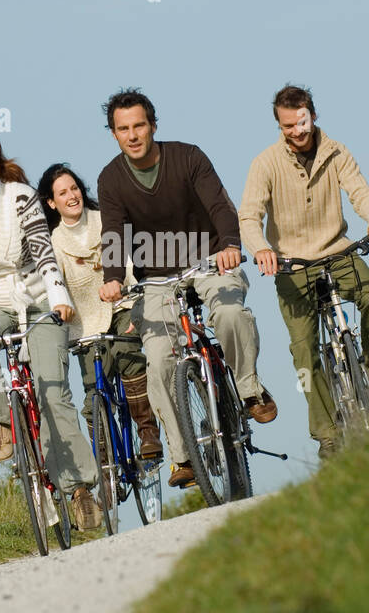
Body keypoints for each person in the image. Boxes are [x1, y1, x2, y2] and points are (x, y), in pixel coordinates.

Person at [96, 89, 277, 490]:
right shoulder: (111, 179)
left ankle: (249, 390)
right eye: (123, 129)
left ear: (153, 126)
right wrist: (112, 277)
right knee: (160, 359)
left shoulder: (188, 156)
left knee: (230, 313)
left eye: (139, 125)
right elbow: (113, 231)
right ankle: (183, 457)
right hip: (157, 278)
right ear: (114, 134)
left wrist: (231, 245)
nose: (133, 135)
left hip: (210, 259)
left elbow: (219, 206)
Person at [0, 129, 102, 529]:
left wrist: (59, 297)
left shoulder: (21, 196)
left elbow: (44, 252)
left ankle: (79, 490)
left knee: (51, 389)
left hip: (40, 298)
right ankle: (3, 419)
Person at [239, 84, 369, 460]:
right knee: (305, 353)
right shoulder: (265, 163)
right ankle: (327, 435)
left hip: (339, 254)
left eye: (302, 122)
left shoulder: (336, 151)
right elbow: (249, 215)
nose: (297, 131)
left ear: (313, 115)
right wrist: (260, 248)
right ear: (280, 125)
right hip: (291, 267)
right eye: (288, 126)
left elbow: (360, 190)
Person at [36, 163, 164, 462]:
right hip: (85, 322)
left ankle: (147, 433)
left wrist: (124, 287)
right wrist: (60, 308)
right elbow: (55, 284)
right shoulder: (54, 242)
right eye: (63, 193)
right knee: (94, 387)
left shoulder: (105, 219)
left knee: (127, 353)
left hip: (121, 304)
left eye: (74, 188)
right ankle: (104, 461)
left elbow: (128, 261)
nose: (72, 196)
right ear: (52, 203)